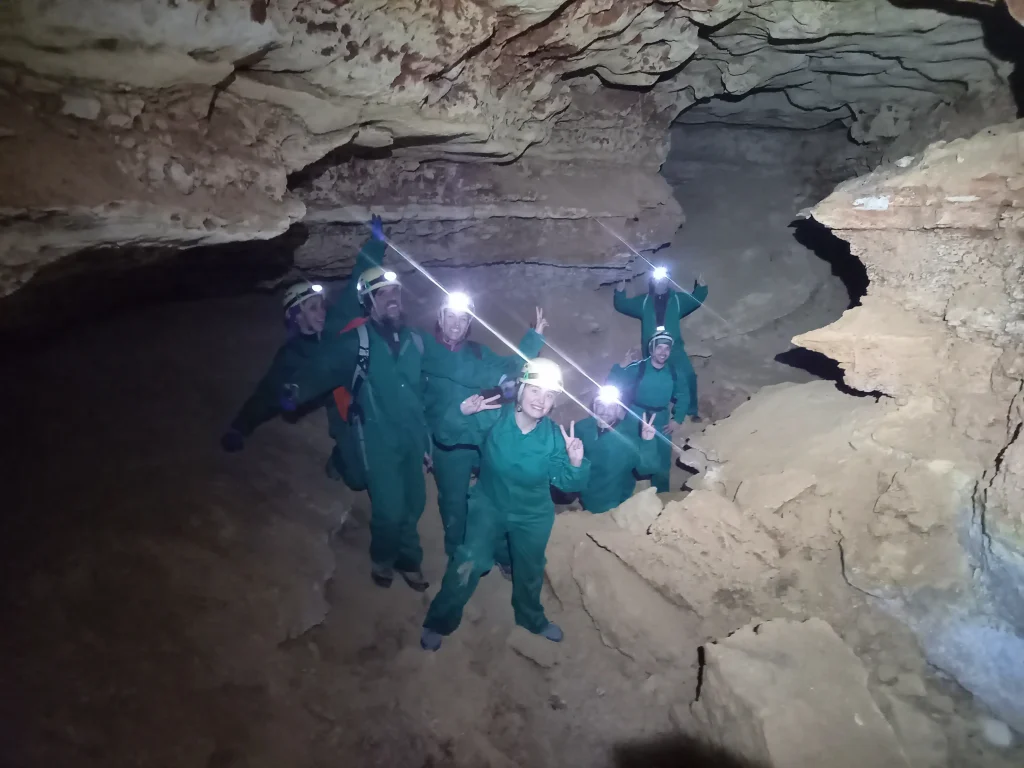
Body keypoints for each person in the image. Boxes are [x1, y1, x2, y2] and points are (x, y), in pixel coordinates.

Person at [278, 261, 524, 593]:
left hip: (413, 435)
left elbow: (456, 367)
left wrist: (507, 375)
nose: (392, 298)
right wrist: (296, 388)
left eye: (395, 292)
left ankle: (409, 560)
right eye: (383, 294)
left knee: (414, 504)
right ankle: (382, 558)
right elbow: (324, 367)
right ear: (368, 301)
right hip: (376, 436)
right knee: (389, 508)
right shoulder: (357, 341)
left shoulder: (415, 340)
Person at [420, 358, 590, 652]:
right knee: (469, 560)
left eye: (549, 394)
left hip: (532, 514)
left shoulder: (553, 438)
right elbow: (446, 436)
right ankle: (439, 621)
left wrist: (575, 463)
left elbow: (568, 485)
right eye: (535, 390)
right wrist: (461, 412)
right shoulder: (493, 419)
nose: (541, 400)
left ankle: (531, 619)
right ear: (521, 389)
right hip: (490, 504)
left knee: (530, 569)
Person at [220, 215, 390, 490]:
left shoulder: (336, 321)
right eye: (312, 309)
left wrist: (375, 245)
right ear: (296, 318)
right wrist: (239, 428)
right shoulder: (293, 355)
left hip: (358, 390)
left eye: (320, 305)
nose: (321, 311)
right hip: (338, 405)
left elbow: (355, 284)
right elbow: (265, 395)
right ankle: (340, 459)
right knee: (359, 480)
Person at [426, 292, 548, 558]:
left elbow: (510, 365)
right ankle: (457, 554)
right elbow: (418, 400)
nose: (456, 324)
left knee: (497, 495)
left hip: (483, 436)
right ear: (440, 318)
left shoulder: (478, 351)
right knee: (453, 502)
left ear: (469, 323)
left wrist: (533, 339)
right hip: (449, 443)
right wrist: (423, 442)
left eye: (463, 319)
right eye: (451, 317)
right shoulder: (426, 351)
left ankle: (500, 552)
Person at [613, 265, 708, 420]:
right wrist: (620, 290)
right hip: (652, 349)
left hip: (674, 348)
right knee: (650, 379)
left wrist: (702, 288)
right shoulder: (643, 302)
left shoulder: (677, 300)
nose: (661, 282)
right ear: (652, 281)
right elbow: (622, 305)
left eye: (664, 278)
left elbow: (694, 300)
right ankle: (650, 409)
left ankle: (691, 411)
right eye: (657, 278)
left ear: (668, 280)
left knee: (688, 375)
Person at [606, 330, 689, 494]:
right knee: (628, 453)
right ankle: (623, 493)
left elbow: (684, 395)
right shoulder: (638, 368)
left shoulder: (674, 373)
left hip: (661, 419)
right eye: (659, 348)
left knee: (662, 458)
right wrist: (621, 367)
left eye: (667, 349)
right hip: (635, 416)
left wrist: (677, 419)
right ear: (651, 350)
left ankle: (662, 494)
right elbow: (612, 384)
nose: (663, 352)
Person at [575, 386, 661, 513]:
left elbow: (646, 469)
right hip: (586, 496)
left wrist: (647, 442)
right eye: (600, 405)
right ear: (593, 406)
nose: (604, 411)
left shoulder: (627, 436)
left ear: (619, 409)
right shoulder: (581, 428)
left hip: (615, 504)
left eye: (611, 406)